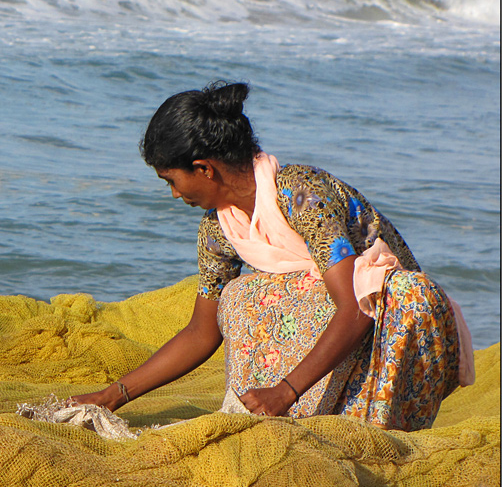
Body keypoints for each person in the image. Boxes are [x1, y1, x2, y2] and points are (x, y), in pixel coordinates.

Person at [72, 81, 474, 431]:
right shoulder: (218, 229)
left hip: (403, 333)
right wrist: (114, 395)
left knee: (401, 292)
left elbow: (354, 307)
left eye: (172, 181)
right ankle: (287, 416)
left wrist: (285, 391)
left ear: (204, 168)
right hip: (346, 339)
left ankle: (336, 416)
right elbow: (202, 331)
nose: (175, 195)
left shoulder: (299, 194)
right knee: (239, 297)